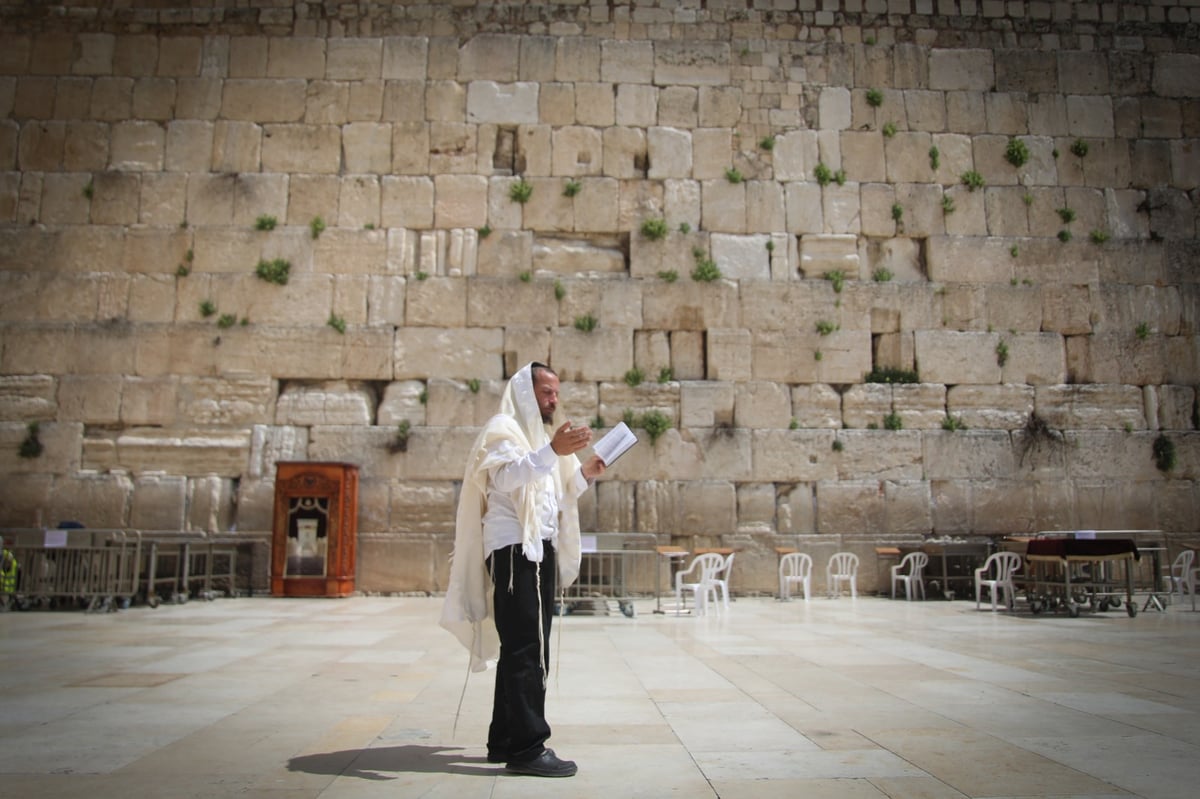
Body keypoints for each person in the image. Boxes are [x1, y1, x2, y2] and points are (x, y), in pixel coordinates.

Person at [440, 362, 606, 778]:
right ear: (528, 394)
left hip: (538, 549)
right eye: (548, 393)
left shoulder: (539, 439)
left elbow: (552, 494)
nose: (554, 401)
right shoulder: (503, 430)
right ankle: (529, 747)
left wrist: (584, 472)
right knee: (526, 649)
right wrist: (555, 451)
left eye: (556, 393)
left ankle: (505, 739)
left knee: (523, 645)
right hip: (516, 551)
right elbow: (508, 478)